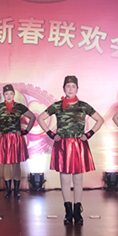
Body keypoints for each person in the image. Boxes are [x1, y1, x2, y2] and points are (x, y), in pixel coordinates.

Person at [37, 76, 104, 225]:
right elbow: (41, 118)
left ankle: (77, 211)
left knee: (78, 179)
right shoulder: (57, 106)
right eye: (68, 86)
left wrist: (89, 134)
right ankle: (68, 211)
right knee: (65, 179)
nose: (70, 89)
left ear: (77, 89)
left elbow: (100, 119)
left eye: (73, 86)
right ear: (63, 89)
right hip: (63, 144)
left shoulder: (83, 106)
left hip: (78, 144)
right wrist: (51, 134)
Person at [0, 84, 36, 199]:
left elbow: (32, 117)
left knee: (16, 163)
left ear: (14, 94)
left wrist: (26, 131)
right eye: (6, 94)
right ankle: (8, 190)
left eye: (11, 94)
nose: (8, 96)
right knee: (6, 164)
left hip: (16, 138)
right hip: (4, 138)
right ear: (4, 95)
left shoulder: (19, 107)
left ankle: (16, 190)